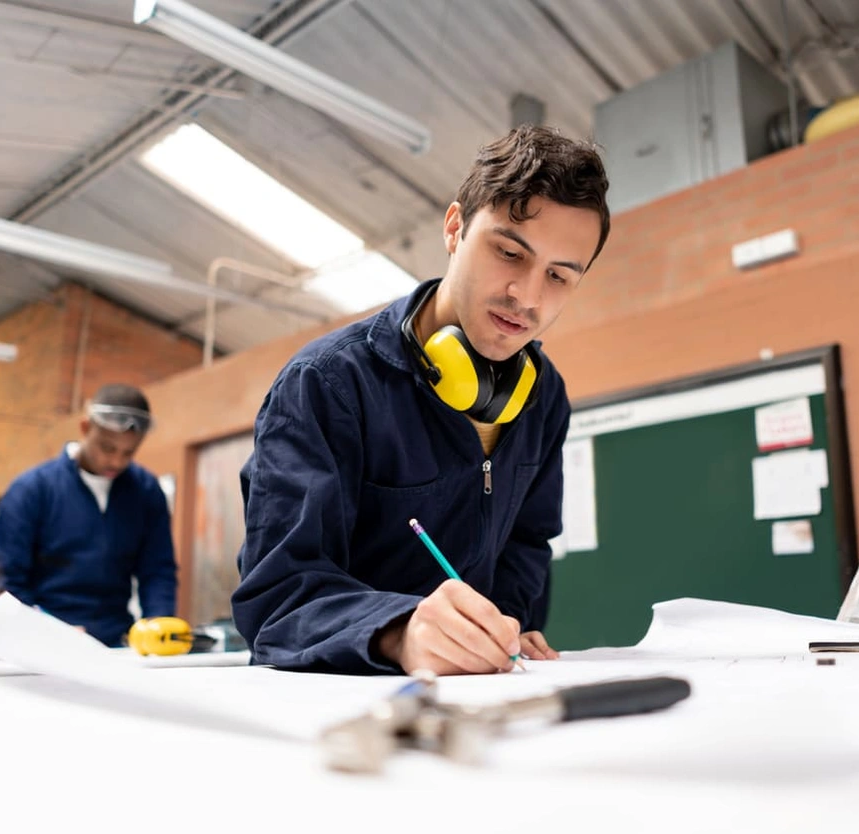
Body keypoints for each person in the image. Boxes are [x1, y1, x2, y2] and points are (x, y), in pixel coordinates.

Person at [233, 125, 611, 675]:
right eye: (509, 252)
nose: (527, 296)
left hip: (477, 694)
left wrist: (502, 625)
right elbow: (277, 599)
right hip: (339, 702)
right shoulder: (328, 383)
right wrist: (396, 632)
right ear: (455, 228)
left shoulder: (543, 394)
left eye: (558, 276)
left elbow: (527, 541)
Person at [0, 384, 178, 647]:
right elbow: (5, 583)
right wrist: (42, 632)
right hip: (41, 642)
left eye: (128, 453)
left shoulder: (146, 492)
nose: (116, 462)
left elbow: (157, 571)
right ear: (85, 427)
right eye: (108, 448)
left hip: (114, 643)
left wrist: (158, 628)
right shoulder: (32, 490)